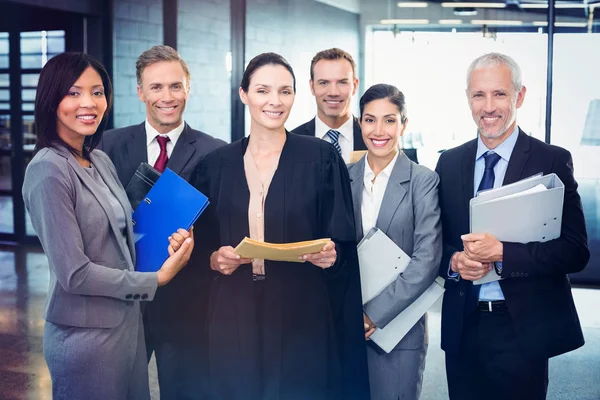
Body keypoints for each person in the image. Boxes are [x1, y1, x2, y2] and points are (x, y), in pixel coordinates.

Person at [191, 52, 370, 400]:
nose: (275, 101)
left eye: (285, 92)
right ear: (244, 94)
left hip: (301, 311)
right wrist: (215, 259)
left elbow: (343, 242)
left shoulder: (320, 158)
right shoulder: (215, 166)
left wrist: (332, 256)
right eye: (262, 90)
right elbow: (200, 248)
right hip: (234, 309)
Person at [21, 52, 194, 400]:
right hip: (86, 337)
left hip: (126, 328)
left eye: (97, 92)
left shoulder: (97, 158)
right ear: (50, 99)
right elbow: (74, 273)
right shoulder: (48, 170)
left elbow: (123, 231)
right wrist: (156, 279)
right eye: (73, 92)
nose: (89, 102)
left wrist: (171, 240)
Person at [436, 52, 589, 400]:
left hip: (522, 328)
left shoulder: (550, 160)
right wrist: (455, 262)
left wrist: (504, 253)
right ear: (468, 98)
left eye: (499, 94)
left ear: (519, 96)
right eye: (479, 95)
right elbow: (437, 242)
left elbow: (575, 250)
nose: (488, 107)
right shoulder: (449, 161)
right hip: (463, 326)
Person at [98, 45, 225, 399]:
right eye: (156, 87)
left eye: (175, 86)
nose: (166, 97)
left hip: (186, 306)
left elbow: (221, 228)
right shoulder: (108, 144)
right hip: (124, 304)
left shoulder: (216, 152)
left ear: (188, 88)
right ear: (140, 91)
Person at [348, 84, 441, 400]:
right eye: (370, 120)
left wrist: (373, 313)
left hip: (399, 328)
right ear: (360, 123)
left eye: (389, 120)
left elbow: (427, 259)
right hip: (346, 324)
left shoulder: (422, 180)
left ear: (404, 124)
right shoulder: (343, 176)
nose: (379, 131)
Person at [292, 48, 366, 163]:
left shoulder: (373, 137)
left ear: (355, 86)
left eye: (342, 82)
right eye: (324, 83)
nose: (333, 92)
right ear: (312, 87)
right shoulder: (292, 143)